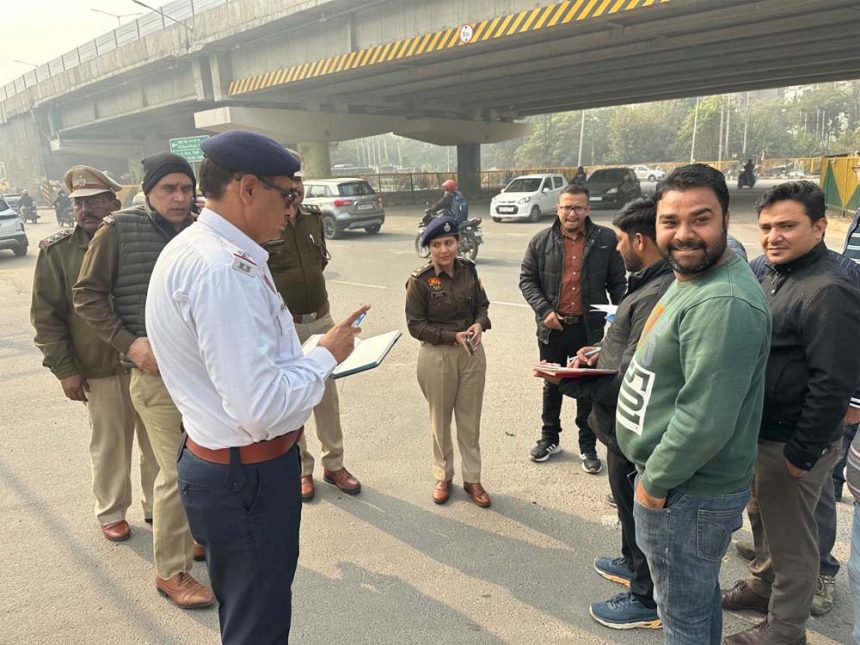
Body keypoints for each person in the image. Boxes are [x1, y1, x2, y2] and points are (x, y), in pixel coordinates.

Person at [145, 130, 365, 643]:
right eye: (287, 195)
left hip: (229, 462)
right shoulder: (222, 271)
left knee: (248, 608)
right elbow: (260, 408)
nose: (293, 210)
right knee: (257, 623)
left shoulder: (206, 250)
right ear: (246, 188)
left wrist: (310, 356)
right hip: (248, 472)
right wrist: (324, 357)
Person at [618, 164, 771, 644]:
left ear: (725, 217)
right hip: (683, 486)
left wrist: (654, 484)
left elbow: (704, 419)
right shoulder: (694, 278)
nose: (683, 234)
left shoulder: (721, 302)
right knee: (695, 600)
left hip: (687, 492)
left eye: (700, 219)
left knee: (680, 615)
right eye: (670, 221)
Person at [722, 181, 860, 645]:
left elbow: (833, 382)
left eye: (787, 226)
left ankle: (784, 630)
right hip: (761, 431)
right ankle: (763, 584)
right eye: (766, 227)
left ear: (819, 227)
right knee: (762, 517)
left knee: (793, 541)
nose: (773, 236)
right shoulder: (769, 271)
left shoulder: (830, 289)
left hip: (793, 440)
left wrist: (803, 451)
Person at [73, 153, 213, 609]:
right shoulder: (119, 229)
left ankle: (191, 537)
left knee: (197, 464)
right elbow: (87, 296)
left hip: (201, 372)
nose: (178, 197)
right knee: (178, 472)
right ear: (147, 191)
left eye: (185, 188)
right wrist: (129, 343)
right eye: (168, 188)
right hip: (154, 377)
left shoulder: (201, 229)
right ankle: (171, 573)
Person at [535, 196, 672, 630]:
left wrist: (574, 381)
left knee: (641, 513)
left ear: (638, 239)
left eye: (620, 242)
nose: (615, 250)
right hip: (618, 426)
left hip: (632, 422)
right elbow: (627, 344)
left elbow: (639, 371)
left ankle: (645, 598)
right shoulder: (648, 279)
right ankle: (632, 562)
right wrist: (599, 351)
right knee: (629, 514)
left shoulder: (658, 291)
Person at [31, 165, 157, 542]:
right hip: (99, 368)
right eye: (78, 203)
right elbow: (47, 316)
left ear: (113, 202)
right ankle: (112, 511)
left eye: (94, 201)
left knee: (158, 441)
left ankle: (159, 506)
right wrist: (65, 369)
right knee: (109, 445)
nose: (85, 210)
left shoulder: (138, 237)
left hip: (148, 364)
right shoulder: (58, 252)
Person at [265, 176, 362, 502]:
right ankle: (302, 469)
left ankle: (334, 464)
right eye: (286, 182)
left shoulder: (313, 219)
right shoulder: (267, 221)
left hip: (321, 319)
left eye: (298, 180)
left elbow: (319, 263)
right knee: (293, 398)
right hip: (284, 327)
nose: (294, 188)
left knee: (326, 396)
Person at [519, 184, 626, 472]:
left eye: (578, 207)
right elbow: (527, 280)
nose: (572, 213)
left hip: (588, 328)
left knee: (586, 385)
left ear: (587, 210)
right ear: (558, 208)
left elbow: (618, 283)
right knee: (551, 382)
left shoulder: (605, 239)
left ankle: (587, 444)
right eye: (567, 207)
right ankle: (549, 437)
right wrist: (545, 311)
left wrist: (619, 317)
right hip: (553, 328)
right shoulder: (541, 241)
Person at [405, 216, 492, 507]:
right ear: (429, 247)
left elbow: (482, 305)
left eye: (449, 242)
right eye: (436, 244)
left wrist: (479, 325)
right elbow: (415, 326)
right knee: (440, 420)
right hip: (437, 356)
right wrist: (451, 336)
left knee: (470, 419)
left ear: (458, 243)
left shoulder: (469, 269)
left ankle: (473, 479)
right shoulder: (420, 280)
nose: (444, 249)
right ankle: (443, 475)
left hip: (471, 353)